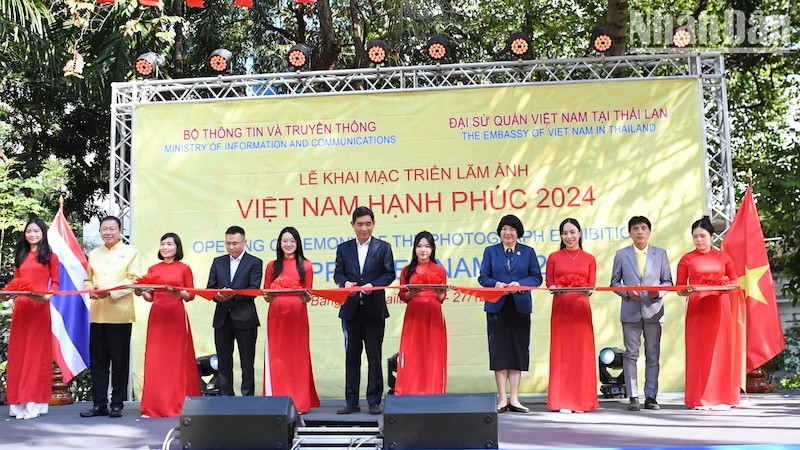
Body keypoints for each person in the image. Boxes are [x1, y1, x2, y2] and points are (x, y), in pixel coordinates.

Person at [334, 206, 396, 415]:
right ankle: (351, 401)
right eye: (359, 224)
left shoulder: (383, 247)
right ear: (353, 225)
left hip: (374, 310)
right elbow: (338, 274)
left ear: (373, 224)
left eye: (368, 224)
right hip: (351, 310)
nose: (364, 228)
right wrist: (345, 284)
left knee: (374, 356)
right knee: (352, 356)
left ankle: (374, 401)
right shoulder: (344, 249)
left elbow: (389, 274)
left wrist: (373, 285)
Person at [478, 215, 543, 413]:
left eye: (512, 229)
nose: (508, 233)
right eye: (504, 229)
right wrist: (496, 284)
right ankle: (502, 399)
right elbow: (483, 277)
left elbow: (537, 277)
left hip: (519, 307)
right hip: (497, 307)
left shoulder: (528, 252)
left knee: (517, 351)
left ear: (518, 232)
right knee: (499, 353)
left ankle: (514, 399)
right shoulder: (490, 251)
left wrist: (520, 285)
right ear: (499, 232)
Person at [81, 216, 143, 418]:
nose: (108, 232)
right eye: (104, 229)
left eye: (112, 229)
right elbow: (88, 280)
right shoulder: (93, 254)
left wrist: (110, 292)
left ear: (120, 231)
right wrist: (91, 290)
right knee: (98, 362)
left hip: (120, 314)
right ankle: (99, 404)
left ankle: (117, 403)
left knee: (119, 362)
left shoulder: (131, 252)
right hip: (98, 313)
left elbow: (134, 281)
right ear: (100, 231)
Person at [677, 216, 740, 409]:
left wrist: (722, 286)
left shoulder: (724, 257)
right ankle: (699, 397)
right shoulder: (687, 259)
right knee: (699, 351)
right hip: (697, 308)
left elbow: (735, 282)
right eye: (695, 236)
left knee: (721, 350)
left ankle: (723, 397)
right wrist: (686, 290)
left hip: (720, 307)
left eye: (702, 236)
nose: (698, 240)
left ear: (712, 236)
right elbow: (679, 288)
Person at [610, 216, 673, 411]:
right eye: (635, 228)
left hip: (653, 310)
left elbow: (668, 281)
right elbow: (614, 282)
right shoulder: (621, 255)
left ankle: (651, 396)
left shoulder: (660, 254)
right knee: (631, 355)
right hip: (630, 311)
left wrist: (658, 292)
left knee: (653, 355)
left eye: (643, 228)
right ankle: (633, 397)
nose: (639, 232)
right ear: (630, 233)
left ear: (649, 232)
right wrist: (628, 292)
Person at [136, 233, 201, 417]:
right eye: (163, 244)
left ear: (177, 247)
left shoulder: (184, 268)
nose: (165, 247)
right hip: (158, 315)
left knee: (176, 360)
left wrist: (178, 294)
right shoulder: (153, 269)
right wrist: (140, 292)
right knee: (156, 359)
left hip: (176, 315)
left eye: (169, 244)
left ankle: (177, 403)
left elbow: (190, 295)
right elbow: (150, 296)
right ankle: (155, 404)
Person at [3, 218, 59, 420]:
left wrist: (48, 295)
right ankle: (18, 403)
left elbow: (56, 283)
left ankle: (34, 402)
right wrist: (7, 294)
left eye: (36, 231)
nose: (32, 234)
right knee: (19, 354)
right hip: (21, 308)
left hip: (39, 307)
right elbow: (16, 282)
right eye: (29, 231)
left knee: (36, 355)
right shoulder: (21, 254)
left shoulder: (50, 256)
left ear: (43, 233)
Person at [262, 227, 320, 413]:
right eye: (285, 241)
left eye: (292, 241)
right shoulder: (272, 266)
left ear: (298, 243)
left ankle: (299, 402)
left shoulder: (306, 266)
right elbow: (266, 295)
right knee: (277, 358)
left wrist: (304, 296)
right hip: (276, 316)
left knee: (297, 358)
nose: (288, 244)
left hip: (297, 316)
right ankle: (276, 400)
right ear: (279, 244)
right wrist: (270, 294)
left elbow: (308, 295)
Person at [546, 218, 599, 413]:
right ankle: (562, 401)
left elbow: (591, 285)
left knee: (581, 354)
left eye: (572, 232)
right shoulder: (554, 257)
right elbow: (549, 282)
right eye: (565, 233)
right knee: (562, 354)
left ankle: (582, 401)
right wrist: (554, 287)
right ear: (560, 236)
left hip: (581, 310)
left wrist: (587, 290)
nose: (569, 236)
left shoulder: (589, 258)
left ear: (579, 234)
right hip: (561, 309)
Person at [207, 225, 263, 396]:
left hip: (245, 318)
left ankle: (247, 397)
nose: (231, 247)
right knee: (224, 360)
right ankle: (226, 396)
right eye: (228, 243)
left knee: (247, 361)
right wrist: (217, 295)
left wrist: (231, 295)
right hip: (222, 318)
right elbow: (210, 288)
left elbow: (253, 289)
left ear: (245, 242)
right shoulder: (218, 262)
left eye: (235, 243)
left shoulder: (254, 262)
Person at [396, 231, 448, 395]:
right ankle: (410, 390)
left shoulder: (439, 270)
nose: (423, 250)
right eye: (419, 246)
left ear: (432, 249)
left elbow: (442, 298)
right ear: (414, 248)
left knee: (433, 353)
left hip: (433, 314)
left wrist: (439, 292)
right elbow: (402, 296)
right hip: (414, 314)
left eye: (427, 246)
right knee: (413, 352)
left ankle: (433, 390)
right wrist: (412, 293)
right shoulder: (407, 270)